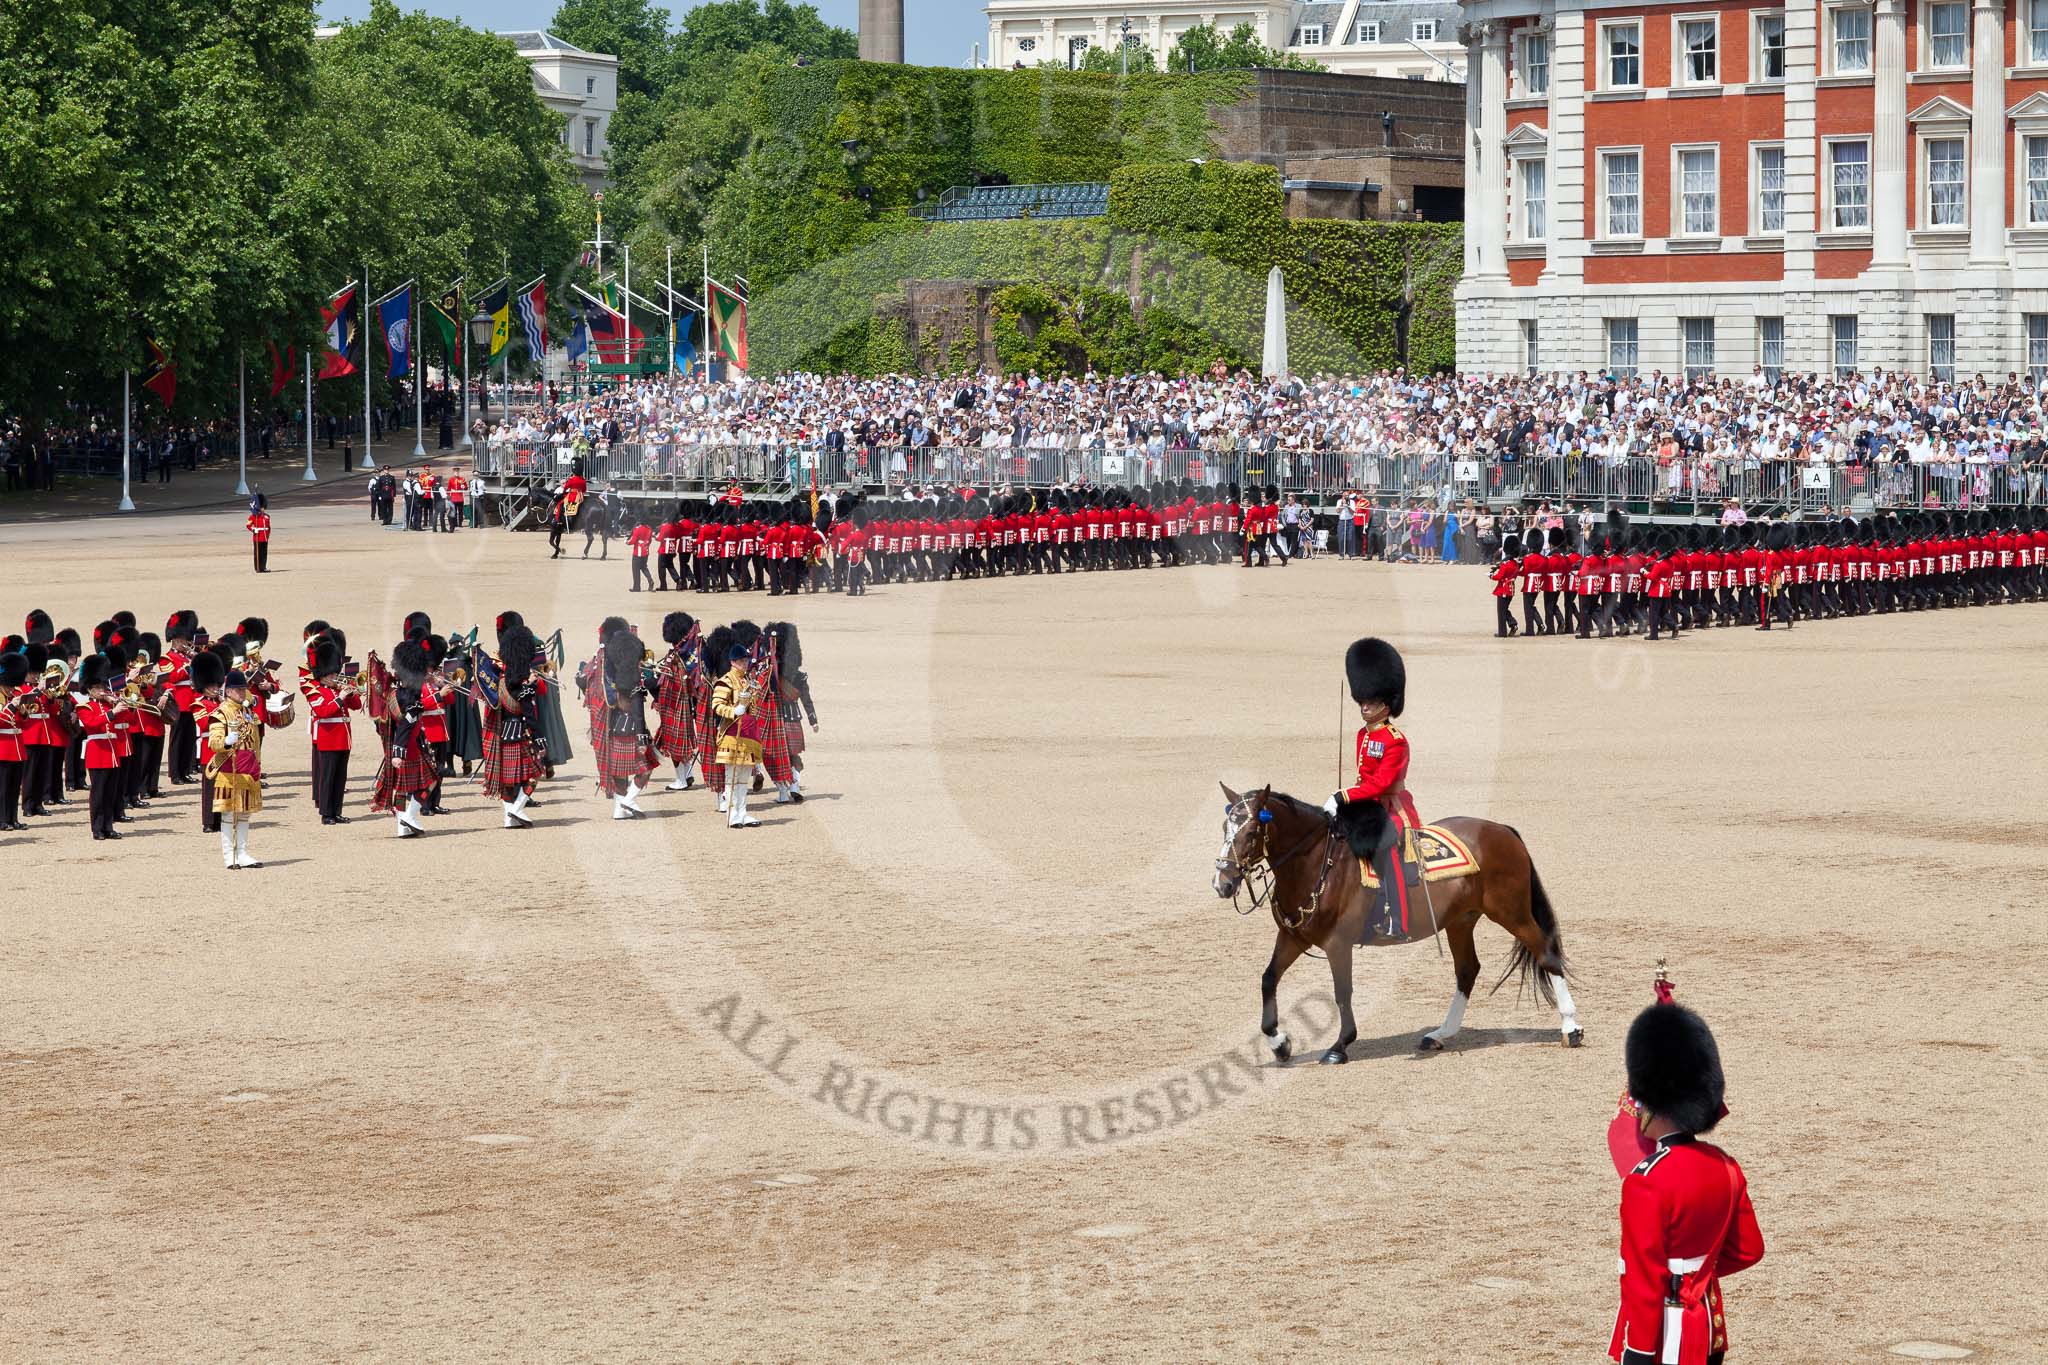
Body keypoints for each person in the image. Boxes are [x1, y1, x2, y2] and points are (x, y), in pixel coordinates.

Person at [1609, 1000, 1764, 1365]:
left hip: (1666, 1336)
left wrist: (1639, 1353)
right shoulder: (1726, 1167)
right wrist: (1696, 1276)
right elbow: (1748, 1250)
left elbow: (1645, 1282)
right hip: (1708, 1327)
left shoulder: (1646, 1181)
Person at [1323, 638, 1421, 941]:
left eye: (1371, 702)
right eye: (1363, 701)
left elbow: (1381, 784)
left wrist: (1344, 796)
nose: (1364, 707)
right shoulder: (1361, 736)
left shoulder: (1396, 740)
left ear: (1386, 705)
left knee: (1386, 847)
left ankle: (1399, 921)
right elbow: (1364, 779)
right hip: (1367, 803)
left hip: (1391, 806)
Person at [301, 634, 360, 826]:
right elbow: (323, 711)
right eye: (332, 674)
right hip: (328, 738)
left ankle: (337, 811)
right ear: (323, 673)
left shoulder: (336, 689)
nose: (335, 676)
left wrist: (349, 693)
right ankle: (326, 813)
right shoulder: (315, 690)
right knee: (327, 777)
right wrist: (340, 697)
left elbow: (357, 705)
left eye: (335, 673)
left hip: (343, 737)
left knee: (340, 777)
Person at [710, 642, 765, 829]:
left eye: (746, 660)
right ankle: (733, 813)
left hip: (747, 733)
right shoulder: (725, 681)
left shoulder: (747, 681)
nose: (745, 663)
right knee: (731, 776)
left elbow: (754, 707)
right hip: (732, 733)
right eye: (741, 661)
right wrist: (735, 710)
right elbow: (716, 706)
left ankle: (742, 812)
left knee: (743, 777)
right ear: (733, 662)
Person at [246, 494, 272, 572]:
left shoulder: (267, 516)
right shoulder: (254, 517)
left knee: (264, 553)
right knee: (257, 553)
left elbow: (268, 527)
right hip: (258, 537)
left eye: (263, 508)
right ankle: (257, 567)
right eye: (262, 507)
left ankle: (263, 567)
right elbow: (248, 525)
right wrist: (254, 530)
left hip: (264, 537)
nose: (263, 509)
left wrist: (268, 535)